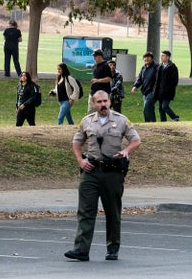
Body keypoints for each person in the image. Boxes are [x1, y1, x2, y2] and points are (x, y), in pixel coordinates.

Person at [64, 90, 141, 262]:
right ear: (93, 104)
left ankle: (112, 248)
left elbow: (136, 140)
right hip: (91, 171)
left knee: (112, 212)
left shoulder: (121, 120)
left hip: (112, 173)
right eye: (99, 102)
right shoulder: (87, 121)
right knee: (85, 211)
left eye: (105, 101)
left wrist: (126, 150)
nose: (103, 104)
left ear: (110, 101)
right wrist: (80, 161)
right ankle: (81, 250)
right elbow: (76, 142)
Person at [131, 51, 158, 122]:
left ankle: (148, 123)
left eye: (148, 57)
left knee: (146, 109)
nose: (146, 59)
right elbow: (140, 78)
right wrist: (135, 86)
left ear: (152, 59)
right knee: (150, 109)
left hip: (153, 92)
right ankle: (152, 124)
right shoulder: (144, 68)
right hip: (145, 92)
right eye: (145, 58)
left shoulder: (156, 67)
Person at [156, 50, 180, 122]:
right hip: (160, 91)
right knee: (161, 108)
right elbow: (157, 79)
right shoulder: (160, 67)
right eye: (161, 55)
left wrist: (169, 88)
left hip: (168, 91)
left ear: (168, 57)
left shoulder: (172, 67)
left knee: (165, 106)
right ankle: (163, 121)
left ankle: (175, 117)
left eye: (163, 55)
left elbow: (175, 80)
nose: (161, 57)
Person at [88, 49, 112, 114]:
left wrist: (98, 80)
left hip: (103, 93)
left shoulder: (106, 66)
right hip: (93, 92)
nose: (94, 58)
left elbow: (109, 78)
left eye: (95, 56)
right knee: (91, 111)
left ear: (99, 56)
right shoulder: (95, 66)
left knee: (103, 111)